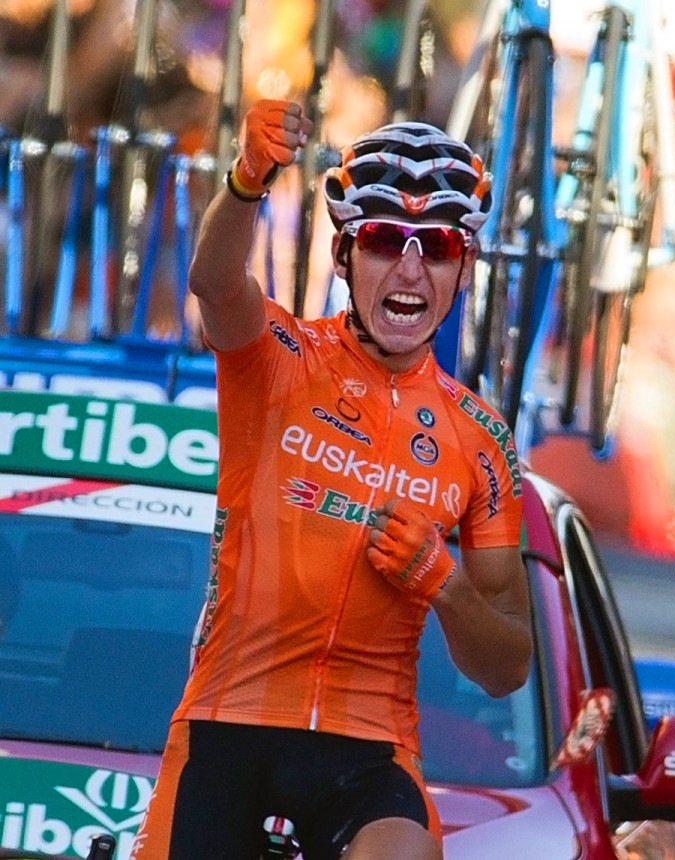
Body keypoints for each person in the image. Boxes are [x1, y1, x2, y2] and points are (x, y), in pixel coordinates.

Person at [131, 100, 532, 860]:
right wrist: (249, 177)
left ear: (463, 268)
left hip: (367, 749)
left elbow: (507, 666)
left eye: (437, 247)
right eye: (384, 240)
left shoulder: (481, 440)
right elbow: (215, 284)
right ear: (345, 256)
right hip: (228, 722)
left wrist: (441, 582)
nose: (410, 268)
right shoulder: (279, 357)